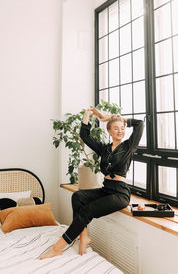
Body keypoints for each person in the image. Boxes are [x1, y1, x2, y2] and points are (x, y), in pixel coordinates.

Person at [40, 108, 144, 259]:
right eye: (116, 128)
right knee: (77, 196)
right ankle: (84, 236)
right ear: (109, 131)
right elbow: (85, 136)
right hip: (106, 189)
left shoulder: (128, 147)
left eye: (122, 129)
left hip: (120, 194)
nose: (120, 131)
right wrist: (87, 115)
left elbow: (140, 124)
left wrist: (122, 119)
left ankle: (59, 246)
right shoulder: (105, 149)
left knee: (87, 211)